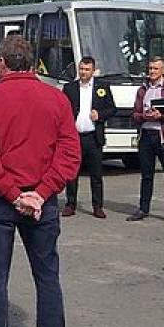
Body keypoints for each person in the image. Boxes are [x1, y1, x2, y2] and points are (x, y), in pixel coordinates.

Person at [0, 35, 81, 327]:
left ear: (1, 63)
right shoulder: (57, 99)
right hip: (41, 201)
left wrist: (12, 193)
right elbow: (69, 154)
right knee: (47, 276)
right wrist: (42, 192)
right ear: (31, 63)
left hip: (0, 200)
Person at [127, 57, 164, 226]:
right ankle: (143, 209)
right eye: (150, 68)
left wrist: (162, 116)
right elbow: (135, 114)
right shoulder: (142, 89)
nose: (152, 71)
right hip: (146, 135)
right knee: (146, 175)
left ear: (163, 71)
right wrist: (144, 116)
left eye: (155, 69)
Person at [62, 56, 116, 219]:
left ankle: (97, 206)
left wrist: (100, 115)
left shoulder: (102, 87)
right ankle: (70, 204)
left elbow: (112, 109)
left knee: (96, 175)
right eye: (81, 69)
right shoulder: (69, 88)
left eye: (87, 69)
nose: (83, 72)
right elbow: (63, 110)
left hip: (93, 137)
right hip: (75, 138)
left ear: (93, 71)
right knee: (72, 173)